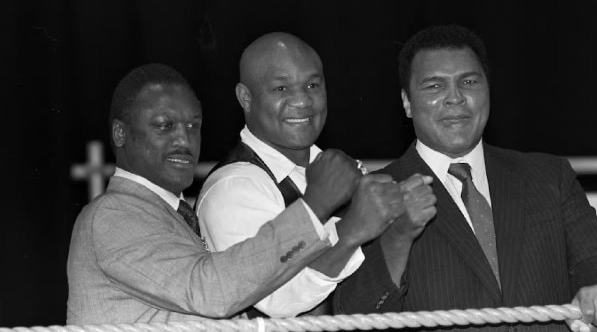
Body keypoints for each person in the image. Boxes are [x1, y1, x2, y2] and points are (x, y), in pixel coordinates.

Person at [66, 63, 392, 325]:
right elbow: (212, 292)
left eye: (193, 126)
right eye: (165, 126)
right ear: (121, 133)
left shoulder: (172, 214)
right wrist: (315, 206)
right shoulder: (114, 214)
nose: (184, 140)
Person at [333, 25, 597, 331]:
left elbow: (593, 260)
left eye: (469, 82)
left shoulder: (549, 176)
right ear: (407, 102)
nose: (455, 98)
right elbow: (354, 315)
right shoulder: (372, 194)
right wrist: (398, 237)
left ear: (488, 89)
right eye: (434, 86)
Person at [196, 32, 437, 317]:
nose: (302, 100)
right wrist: (351, 231)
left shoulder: (340, 170)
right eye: (281, 88)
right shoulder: (233, 188)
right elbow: (278, 299)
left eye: (312, 85)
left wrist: (398, 230)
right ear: (245, 97)